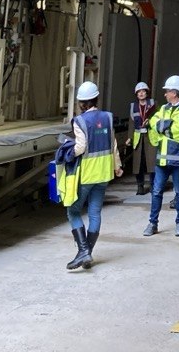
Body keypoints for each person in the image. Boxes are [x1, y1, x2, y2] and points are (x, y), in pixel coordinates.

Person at [64, 81, 123, 271]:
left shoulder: (80, 121)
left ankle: (83, 250)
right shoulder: (108, 117)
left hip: (88, 173)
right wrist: (117, 167)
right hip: (104, 173)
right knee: (95, 212)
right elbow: (113, 145)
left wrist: (68, 152)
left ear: (81, 102)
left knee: (73, 211)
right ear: (96, 98)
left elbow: (80, 147)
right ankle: (87, 252)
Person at [145, 75, 179, 237]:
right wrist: (166, 126)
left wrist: (163, 128)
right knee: (156, 191)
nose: (165, 94)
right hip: (163, 158)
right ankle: (153, 223)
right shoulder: (164, 109)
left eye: (167, 91)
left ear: (174, 92)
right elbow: (153, 123)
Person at [129, 81, 156, 195]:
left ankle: (153, 185)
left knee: (152, 162)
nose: (141, 93)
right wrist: (129, 138)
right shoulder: (133, 106)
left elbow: (157, 119)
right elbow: (131, 123)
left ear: (147, 92)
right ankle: (140, 186)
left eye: (143, 91)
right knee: (138, 164)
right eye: (139, 92)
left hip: (150, 136)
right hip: (138, 137)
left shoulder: (153, 104)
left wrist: (150, 122)